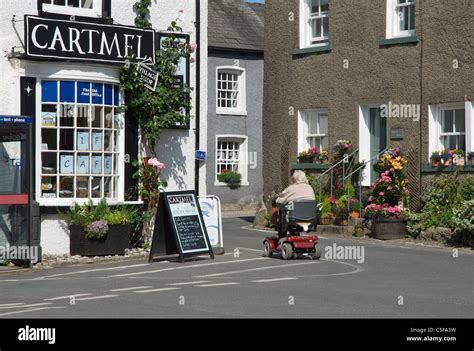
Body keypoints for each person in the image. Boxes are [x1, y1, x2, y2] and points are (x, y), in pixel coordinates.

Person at [274, 170, 315, 236]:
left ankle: (282, 233)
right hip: (310, 220)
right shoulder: (310, 188)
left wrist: (275, 200)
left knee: (283, 209)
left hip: (294, 220)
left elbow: (280, 200)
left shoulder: (291, 188)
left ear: (294, 179)